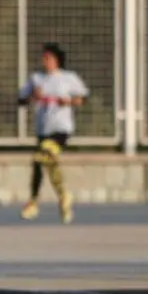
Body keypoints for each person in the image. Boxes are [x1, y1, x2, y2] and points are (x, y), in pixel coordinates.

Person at [18, 42, 88, 224]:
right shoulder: (36, 79)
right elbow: (22, 100)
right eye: (43, 58)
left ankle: (34, 202)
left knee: (44, 156)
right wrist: (33, 95)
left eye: (48, 58)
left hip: (61, 129)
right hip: (43, 129)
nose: (45, 61)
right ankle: (63, 197)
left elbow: (82, 99)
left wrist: (69, 102)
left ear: (57, 60)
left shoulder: (67, 78)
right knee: (44, 162)